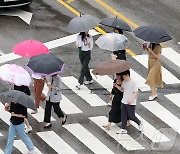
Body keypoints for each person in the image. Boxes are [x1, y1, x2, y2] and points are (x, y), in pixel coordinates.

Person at [116, 70, 143, 134]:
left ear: (127, 75)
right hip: (124, 101)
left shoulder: (134, 82)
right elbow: (123, 90)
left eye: (123, 76)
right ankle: (123, 128)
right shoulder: (124, 82)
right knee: (123, 115)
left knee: (131, 116)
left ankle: (139, 123)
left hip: (131, 103)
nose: (123, 77)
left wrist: (131, 99)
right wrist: (116, 86)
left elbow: (136, 92)